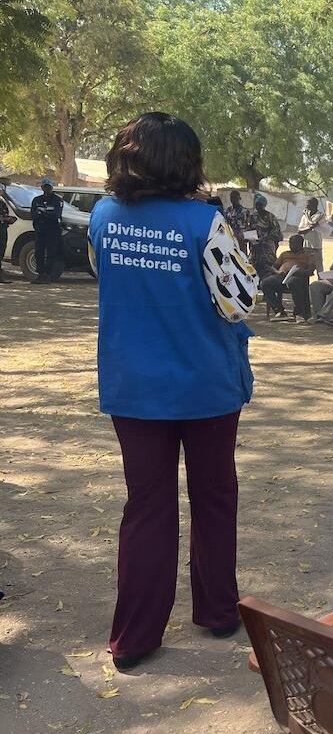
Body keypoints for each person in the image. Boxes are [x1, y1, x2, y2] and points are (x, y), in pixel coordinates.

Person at [90, 112, 253, 670]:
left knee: (146, 507)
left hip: (132, 388)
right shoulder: (206, 222)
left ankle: (134, 637)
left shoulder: (102, 216)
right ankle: (216, 610)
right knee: (213, 498)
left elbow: (106, 276)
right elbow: (239, 302)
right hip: (204, 387)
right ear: (187, 163)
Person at [262, 234, 319, 322]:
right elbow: (273, 267)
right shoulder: (285, 254)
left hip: (298, 278)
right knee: (265, 283)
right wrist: (278, 272)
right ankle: (279, 311)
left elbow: (310, 271)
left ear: (300, 244)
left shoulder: (308, 255)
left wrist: (298, 272)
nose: (291, 246)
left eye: (294, 244)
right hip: (281, 276)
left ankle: (298, 312)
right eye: (290, 243)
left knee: (293, 282)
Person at [30, 178, 64, 283]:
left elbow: (56, 215)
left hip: (53, 230)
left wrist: (43, 213)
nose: (47, 189)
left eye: (49, 187)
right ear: (42, 187)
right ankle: (40, 274)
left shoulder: (57, 200)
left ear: (52, 187)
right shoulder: (37, 200)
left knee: (51, 252)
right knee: (38, 252)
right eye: (45, 187)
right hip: (40, 230)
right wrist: (44, 215)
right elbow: (34, 215)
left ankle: (48, 274)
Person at [247, 193, 283, 276]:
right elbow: (250, 229)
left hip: (267, 245)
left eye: (260, 205)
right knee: (254, 264)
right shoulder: (253, 216)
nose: (258, 207)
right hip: (255, 245)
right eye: (256, 205)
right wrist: (250, 238)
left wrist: (265, 238)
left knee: (269, 264)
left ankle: (269, 281)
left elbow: (276, 230)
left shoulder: (270, 216)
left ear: (264, 205)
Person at [297, 198, 326, 271]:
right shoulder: (304, 216)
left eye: (308, 204)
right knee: (306, 268)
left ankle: (321, 282)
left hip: (317, 247)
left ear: (314, 205)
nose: (306, 206)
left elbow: (313, 223)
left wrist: (307, 217)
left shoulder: (321, 215)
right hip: (306, 246)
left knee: (319, 269)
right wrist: (310, 228)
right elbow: (299, 231)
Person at [0, 198, 16, 282]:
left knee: (2, 249)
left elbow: (5, 214)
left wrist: (7, 219)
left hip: (3, 228)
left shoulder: (2, 202)